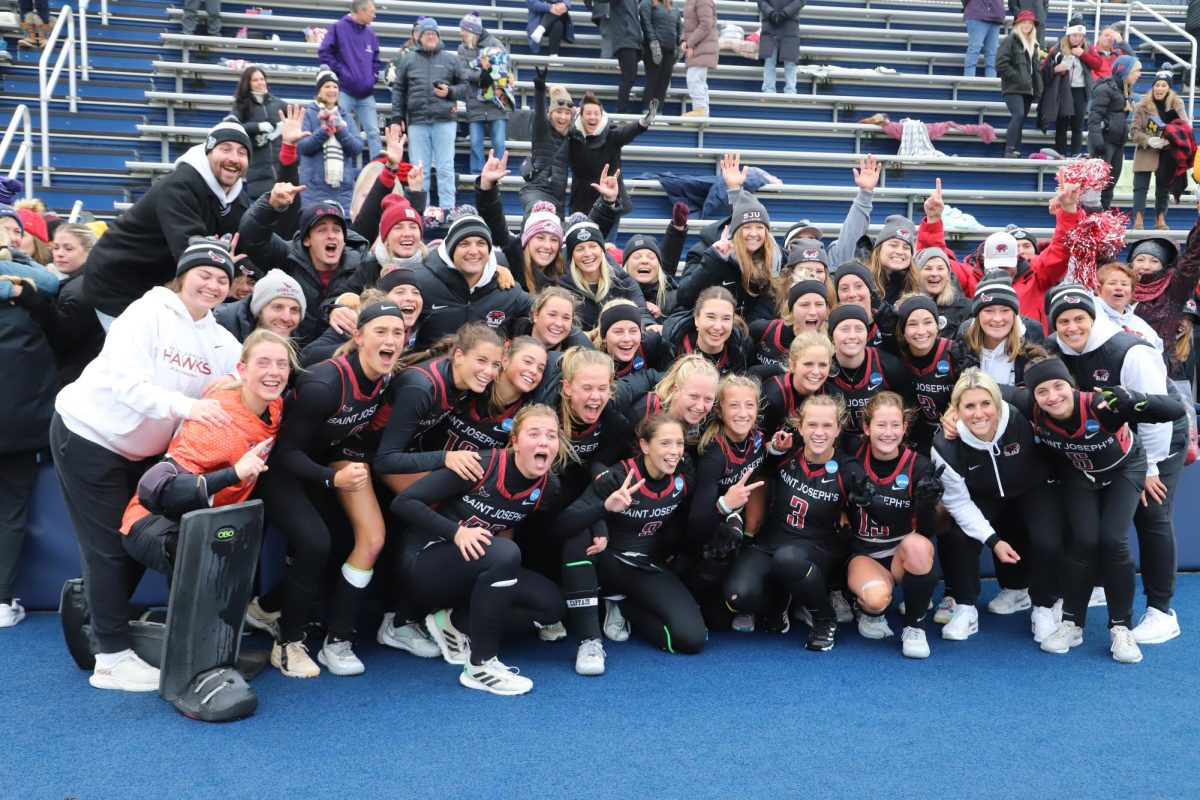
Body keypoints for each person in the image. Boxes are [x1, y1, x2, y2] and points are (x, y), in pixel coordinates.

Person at [50, 239, 241, 691]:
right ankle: (111, 659)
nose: (212, 285)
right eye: (204, 274)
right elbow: (130, 388)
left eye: (222, 279)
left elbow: (246, 384)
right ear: (182, 275)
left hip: (145, 455)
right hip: (88, 435)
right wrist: (189, 409)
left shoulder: (222, 341)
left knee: (138, 539)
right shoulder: (145, 313)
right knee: (109, 545)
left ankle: (89, 607)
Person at [1016, 356, 1184, 662]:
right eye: (1042, 392)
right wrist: (952, 416)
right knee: (1083, 541)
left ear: (1071, 385)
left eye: (1059, 386)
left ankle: (1121, 628)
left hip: (1125, 469)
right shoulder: (1032, 408)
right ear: (1032, 396)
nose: (1052, 396)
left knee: (1112, 540)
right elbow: (987, 392)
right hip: (1079, 474)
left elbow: (1175, 409)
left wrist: (1134, 399)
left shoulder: (1101, 405)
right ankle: (1071, 623)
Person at [392, 405, 567, 695]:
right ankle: (480, 665)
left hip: (475, 566)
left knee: (551, 606)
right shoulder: (481, 465)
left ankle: (451, 622)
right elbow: (404, 502)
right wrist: (456, 532)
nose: (543, 442)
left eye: (551, 435)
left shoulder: (548, 487)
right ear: (514, 441)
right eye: (533, 434)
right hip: (425, 560)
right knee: (506, 553)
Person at [1047, 285, 1188, 644]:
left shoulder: (1130, 352)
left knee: (1151, 512)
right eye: (1064, 320)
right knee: (1089, 521)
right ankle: (1093, 587)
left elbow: (1160, 413)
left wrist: (1152, 467)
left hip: (1158, 435)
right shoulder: (1052, 349)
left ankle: (1161, 610)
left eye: (1080, 318)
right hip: (1102, 442)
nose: (1072, 327)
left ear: (1093, 319)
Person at [119, 329, 290, 580]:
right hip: (157, 523)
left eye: (281, 364)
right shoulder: (218, 422)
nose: (274, 372)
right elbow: (160, 489)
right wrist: (234, 474)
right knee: (210, 565)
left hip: (204, 521)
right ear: (242, 371)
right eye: (263, 363)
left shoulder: (274, 403)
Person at [555, 414, 705, 674]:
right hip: (607, 564)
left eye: (679, 444)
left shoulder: (683, 477)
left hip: (645, 567)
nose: (674, 452)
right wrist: (603, 508)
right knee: (578, 537)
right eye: (665, 443)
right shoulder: (619, 476)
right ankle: (590, 641)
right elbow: (562, 524)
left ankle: (623, 604)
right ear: (645, 445)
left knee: (691, 640)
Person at [932, 368, 1065, 643]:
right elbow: (958, 504)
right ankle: (966, 608)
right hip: (985, 492)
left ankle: (1044, 606)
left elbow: (1064, 404)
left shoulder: (1021, 409)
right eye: (969, 406)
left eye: (985, 404)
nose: (978, 413)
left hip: (1033, 486)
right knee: (960, 536)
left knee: (1048, 541)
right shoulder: (944, 446)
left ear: (997, 402)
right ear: (956, 409)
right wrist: (993, 541)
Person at [725, 394, 863, 650]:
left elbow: (867, 514)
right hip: (771, 543)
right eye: (812, 425)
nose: (819, 432)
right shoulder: (788, 454)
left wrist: (864, 503)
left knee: (788, 559)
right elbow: (754, 463)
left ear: (837, 430)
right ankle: (781, 598)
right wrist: (773, 450)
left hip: (818, 550)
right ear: (800, 427)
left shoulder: (849, 469)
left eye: (826, 426)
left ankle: (824, 618)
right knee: (738, 597)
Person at [83, 120, 251, 324]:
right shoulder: (178, 187)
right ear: (208, 153)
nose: (234, 158)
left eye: (242, 153)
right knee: (138, 354)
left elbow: (242, 245)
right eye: (225, 149)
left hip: (160, 289)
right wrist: (224, 264)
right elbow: (191, 251)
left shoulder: (237, 199)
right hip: (118, 285)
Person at [847, 392, 943, 659]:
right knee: (877, 601)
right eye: (880, 425)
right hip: (866, 552)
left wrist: (925, 505)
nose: (887, 433)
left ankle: (915, 627)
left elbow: (929, 531)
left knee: (918, 547)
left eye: (894, 425)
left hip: (902, 551)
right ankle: (867, 607)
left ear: (904, 427)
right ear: (866, 428)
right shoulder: (852, 454)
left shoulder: (919, 465)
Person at [0, 231, 60, 629]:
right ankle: (2, 601)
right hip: (19, 429)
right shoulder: (30, 301)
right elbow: (52, 281)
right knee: (10, 512)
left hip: (18, 426)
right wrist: (15, 269)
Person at [238, 187, 370, 345]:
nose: (331, 235)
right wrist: (271, 205)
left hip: (335, 357)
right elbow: (251, 236)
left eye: (337, 230)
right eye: (322, 230)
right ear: (306, 240)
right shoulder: (288, 255)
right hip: (284, 352)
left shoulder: (361, 267)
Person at [687, 375, 767, 630]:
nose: (742, 413)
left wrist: (776, 450)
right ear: (719, 411)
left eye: (749, 405)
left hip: (738, 517)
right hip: (707, 529)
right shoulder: (714, 452)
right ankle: (694, 591)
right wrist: (725, 505)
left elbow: (767, 470)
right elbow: (697, 523)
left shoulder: (756, 437)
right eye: (733, 406)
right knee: (717, 622)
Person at [408, 207, 533, 349]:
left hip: (485, 370)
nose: (474, 251)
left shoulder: (508, 289)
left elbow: (545, 310)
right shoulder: (419, 282)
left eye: (481, 243)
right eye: (464, 243)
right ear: (451, 250)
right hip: (429, 369)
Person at [390, 17, 468, 210]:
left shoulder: (451, 59)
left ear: (438, 36)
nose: (431, 36)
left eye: (434, 33)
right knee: (419, 169)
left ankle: (448, 209)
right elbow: (399, 90)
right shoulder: (408, 60)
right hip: (417, 121)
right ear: (420, 37)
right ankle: (419, 210)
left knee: (445, 168)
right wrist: (397, 118)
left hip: (445, 120)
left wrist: (450, 92)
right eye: (427, 33)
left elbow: (465, 86)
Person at [677, 193, 779, 322]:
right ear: (735, 230)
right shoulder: (706, 249)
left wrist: (746, 330)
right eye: (747, 227)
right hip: (707, 327)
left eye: (759, 227)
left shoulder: (776, 258)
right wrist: (715, 259)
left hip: (747, 331)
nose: (754, 234)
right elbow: (684, 297)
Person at [32, 224, 105, 385]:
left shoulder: (79, 289)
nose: (59, 254)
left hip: (76, 378)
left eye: (68, 249)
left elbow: (62, 337)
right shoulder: (88, 280)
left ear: (89, 251)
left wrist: (34, 299)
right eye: (56, 247)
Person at [825, 304, 908, 441]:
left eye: (859, 329)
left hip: (877, 444)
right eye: (844, 329)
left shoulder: (889, 365)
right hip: (835, 446)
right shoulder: (822, 367)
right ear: (832, 336)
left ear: (867, 334)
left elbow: (907, 409)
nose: (852, 336)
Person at [559, 215, 654, 331]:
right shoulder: (563, 287)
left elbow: (642, 313)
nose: (588, 253)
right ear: (571, 256)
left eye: (593, 246)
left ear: (602, 250)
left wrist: (649, 326)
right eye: (580, 249)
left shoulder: (623, 281)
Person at [569, 93, 656, 217]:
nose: (592, 117)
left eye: (596, 113)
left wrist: (643, 123)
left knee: (607, 237)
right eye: (588, 113)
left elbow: (627, 131)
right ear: (581, 116)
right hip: (580, 202)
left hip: (610, 202)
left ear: (601, 115)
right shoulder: (572, 135)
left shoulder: (611, 134)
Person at [318, 0, 383, 160]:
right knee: (338, 130)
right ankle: (340, 168)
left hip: (366, 94)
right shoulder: (338, 28)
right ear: (360, 11)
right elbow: (324, 53)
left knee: (374, 134)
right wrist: (341, 73)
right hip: (344, 92)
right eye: (371, 11)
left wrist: (372, 77)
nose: (374, 15)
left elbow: (376, 60)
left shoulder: (371, 34)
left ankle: (378, 173)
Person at [1126, 228, 1200, 366]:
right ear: (1131, 264)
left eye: (1154, 261)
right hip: (1124, 367)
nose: (1146, 266)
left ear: (1164, 266)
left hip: (1163, 370)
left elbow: (1192, 261)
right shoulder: (1119, 287)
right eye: (1140, 260)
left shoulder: (1174, 291)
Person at [1130, 69, 1189, 231]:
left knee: (1164, 188)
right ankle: (1139, 218)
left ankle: (1160, 218)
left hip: (1168, 153)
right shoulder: (1142, 105)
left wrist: (1171, 138)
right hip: (1147, 151)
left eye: (1163, 85)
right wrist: (1148, 140)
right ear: (1153, 87)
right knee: (1140, 187)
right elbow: (1134, 131)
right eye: (1157, 85)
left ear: (1169, 88)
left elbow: (1185, 128)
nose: (1160, 88)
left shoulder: (1177, 104)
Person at [959, 274, 1044, 385]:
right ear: (977, 316)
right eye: (989, 311)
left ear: (1014, 315)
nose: (997, 319)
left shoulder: (1032, 349)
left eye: (1005, 310)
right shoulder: (962, 344)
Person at [299, 67, 364, 211]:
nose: (332, 90)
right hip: (314, 189)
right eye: (327, 86)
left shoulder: (346, 116)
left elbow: (356, 148)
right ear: (319, 91)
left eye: (335, 86)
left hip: (342, 190)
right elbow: (304, 147)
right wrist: (326, 130)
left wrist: (340, 129)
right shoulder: (309, 114)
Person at [457, 11, 511, 174]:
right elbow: (462, 72)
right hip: (475, 102)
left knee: (499, 144)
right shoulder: (462, 48)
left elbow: (505, 65)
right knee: (475, 144)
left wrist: (492, 74)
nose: (461, 33)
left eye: (463, 30)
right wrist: (482, 76)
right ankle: (477, 177)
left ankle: (498, 175)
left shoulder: (496, 44)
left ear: (471, 32)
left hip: (496, 101)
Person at [1090, 55, 1141, 210]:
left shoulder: (1124, 89)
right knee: (1097, 187)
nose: (1138, 75)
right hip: (1105, 144)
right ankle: (1092, 219)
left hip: (1118, 143)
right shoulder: (1105, 89)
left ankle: (1103, 218)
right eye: (1136, 71)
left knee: (1110, 186)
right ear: (1125, 72)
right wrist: (1098, 144)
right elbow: (1094, 118)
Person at [662, 286, 750, 375]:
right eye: (711, 317)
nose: (718, 326)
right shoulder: (673, 345)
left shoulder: (740, 349)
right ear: (696, 319)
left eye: (726, 318)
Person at [230, 66, 287, 200]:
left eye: (262, 79)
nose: (260, 82)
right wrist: (257, 127)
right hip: (258, 170)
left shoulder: (279, 104)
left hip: (281, 168)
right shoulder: (241, 106)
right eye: (255, 80)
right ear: (248, 83)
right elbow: (231, 126)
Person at [1039, 18, 1092, 159]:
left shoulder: (1087, 48)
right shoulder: (1056, 48)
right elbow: (1043, 68)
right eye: (1074, 35)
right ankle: (1061, 153)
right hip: (1063, 89)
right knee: (1062, 123)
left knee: (1077, 124)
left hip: (1081, 90)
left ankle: (1075, 153)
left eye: (1080, 36)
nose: (1077, 38)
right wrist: (1055, 69)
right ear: (1068, 35)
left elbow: (1098, 64)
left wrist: (1084, 55)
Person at [522, 69, 574, 215]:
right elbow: (539, 113)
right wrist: (540, 90)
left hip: (558, 199)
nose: (563, 117)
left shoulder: (571, 136)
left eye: (567, 113)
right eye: (559, 112)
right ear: (551, 114)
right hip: (537, 191)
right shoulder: (542, 129)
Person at [760, 331, 832, 435]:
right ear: (792, 366)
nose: (816, 372)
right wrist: (776, 449)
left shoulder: (831, 393)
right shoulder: (773, 398)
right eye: (808, 364)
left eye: (823, 365)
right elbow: (760, 440)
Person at [997, 11, 1043, 159]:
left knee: (1021, 119)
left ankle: (1016, 150)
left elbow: (1034, 70)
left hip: (1027, 89)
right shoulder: (1010, 40)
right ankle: (1009, 149)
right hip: (1013, 87)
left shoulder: (1034, 44)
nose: (1027, 25)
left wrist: (1037, 87)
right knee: (1018, 115)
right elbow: (1001, 64)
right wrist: (1018, 78)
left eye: (1030, 23)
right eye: (1024, 22)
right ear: (1017, 24)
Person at [214, 268, 307, 342]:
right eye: (278, 307)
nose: (287, 318)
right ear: (259, 310)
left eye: (294, 310)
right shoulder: (221, 324)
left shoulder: (294, 339)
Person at [623, 228, 684, 322]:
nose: (644, 261)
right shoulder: (614, 296)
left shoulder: (674, 299)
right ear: (626, 265)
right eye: (637, 257)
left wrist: (658, 320)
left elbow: (677, 332)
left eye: (651, 257)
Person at [909, 247, 971, 337]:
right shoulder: (904, 306)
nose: (934, 273)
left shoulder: (967, 308)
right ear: (916, 274)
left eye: (940, 268)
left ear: (948, 274)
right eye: (928, 268)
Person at [597, 0, 644, 114]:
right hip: (625, 40)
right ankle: (622, 111)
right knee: (628, 78)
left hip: (634, 41)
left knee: (630, 77)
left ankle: (622, 110)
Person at [640, 0, 682, 112]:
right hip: (653, 49)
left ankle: (657, 113)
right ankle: (646, 112)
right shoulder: (647, 3)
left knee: (663, 84)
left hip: (670, 50)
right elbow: (646, 24)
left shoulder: (674, 6)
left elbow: (678, 28)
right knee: (652, 81)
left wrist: (679, 47)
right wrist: (654, 45)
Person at [865, 215, 917, 304]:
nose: (900, 251)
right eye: (893, 245)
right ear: (879, 249)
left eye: (906, 248)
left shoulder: (915, 285)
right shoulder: (862, 280)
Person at [757, 0, 803, 94]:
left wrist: (785, 13)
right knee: (769, 60)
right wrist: (771, 13)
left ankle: (790, 91)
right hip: (770, 24)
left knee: (790, 61)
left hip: (789, 25)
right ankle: (769, 90)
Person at [681, 0, 717, 116]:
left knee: (694, 78)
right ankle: (703, 112)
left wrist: (689, 43)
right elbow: (688, 26)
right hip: (697, 45)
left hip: (702, 46)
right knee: (698, 79)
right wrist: (684, 40)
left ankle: (700, 109)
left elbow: (705, 25)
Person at [962, 0, 1004, 78]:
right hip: (978, 14)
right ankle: (969, 81)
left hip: (994, 16)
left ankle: (991, 81)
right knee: (976, 49)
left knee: (991, 52)